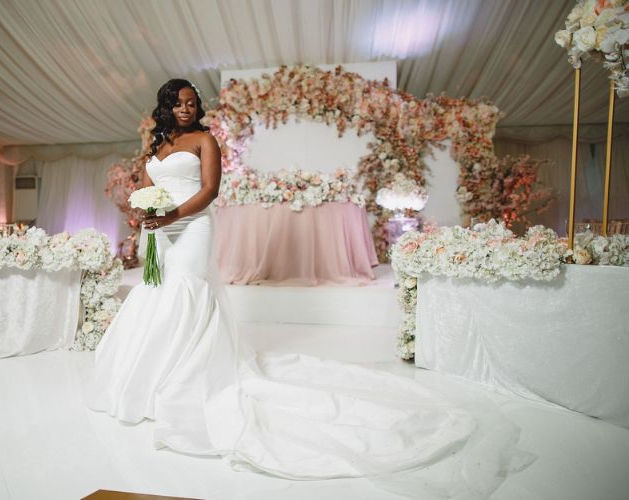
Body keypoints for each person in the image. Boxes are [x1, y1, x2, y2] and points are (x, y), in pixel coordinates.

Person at [85, 79, 527, 491]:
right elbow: (144, 185)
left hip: (193, 226)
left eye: (192, 103)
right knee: (156, 292)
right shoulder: (158, 146)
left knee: (187, 289)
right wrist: (144, 213)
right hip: (158, 231)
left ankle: (187, 378)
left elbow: (210, 190)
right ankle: (152, 377)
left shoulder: (205, 140)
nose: (186, 108)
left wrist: (172, 215)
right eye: (178, 103)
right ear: (165, 107)